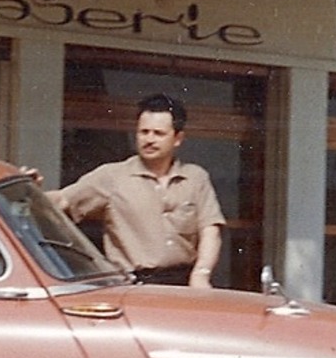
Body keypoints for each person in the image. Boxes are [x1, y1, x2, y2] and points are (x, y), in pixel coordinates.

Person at [47, 93, 226, 287]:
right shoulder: (112, 176)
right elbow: (63, 200)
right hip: (132, 286)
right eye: (144, 132)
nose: (149, 139)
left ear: (178, 138)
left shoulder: (196, 178)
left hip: (183, 284)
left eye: (158, 133)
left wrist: (201, 274)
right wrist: (25, 189)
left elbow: (210, 230)